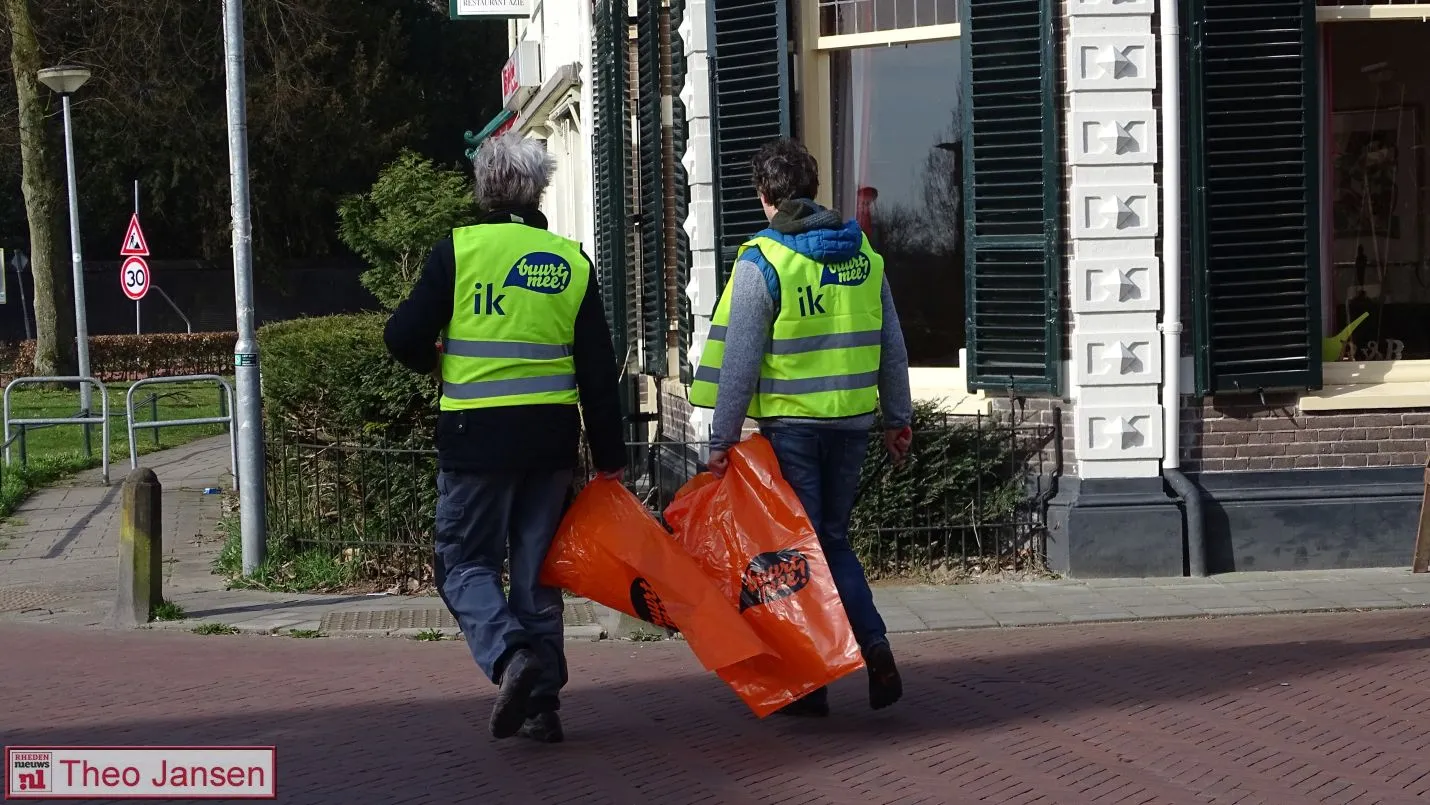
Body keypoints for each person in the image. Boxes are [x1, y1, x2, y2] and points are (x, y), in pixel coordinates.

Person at [383, 133, 626, 743]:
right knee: (538, 571)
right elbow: (599, 369)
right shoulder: (571, 261)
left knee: (463, 564)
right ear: (537, 189)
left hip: (476, 440)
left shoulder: (458, 253)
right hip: (549, 443)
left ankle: (511, 658)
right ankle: (543, 706)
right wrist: (611, 460)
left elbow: (401, 336)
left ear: (484, 187)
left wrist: (434, 360)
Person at [688, 138, 914, 717]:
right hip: (853, 423)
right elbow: (891, 345)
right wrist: (897, 419)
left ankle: (818, 678)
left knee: (796, 553)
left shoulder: (763, 259)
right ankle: (867, 649)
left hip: (791, 428)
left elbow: (740, 361)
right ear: (812, 192)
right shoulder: (863, 254)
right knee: (830, 541)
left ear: (766, 198)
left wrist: (720, 441)